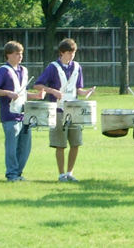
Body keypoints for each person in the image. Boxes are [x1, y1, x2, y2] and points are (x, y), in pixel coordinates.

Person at [34, 38, 95, 182]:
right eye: (69, 53)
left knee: (76, 143)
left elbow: (78, 89)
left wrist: (86, 92)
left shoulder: (77, 67)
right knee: (60, 144)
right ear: (61, 53)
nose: (72, 56)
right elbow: (38, 85)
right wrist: (53, 91)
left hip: (74, 110)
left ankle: (70, 172)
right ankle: (61, 174)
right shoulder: (52, 67)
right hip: (59, 110)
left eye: (73, 53)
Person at [0, 41, 45, 182]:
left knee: (25, 147)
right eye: (17, 54)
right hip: (10, 115)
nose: (20, 57)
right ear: (8, 55)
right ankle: (11, 174)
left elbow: (22, 93)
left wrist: (35, 96)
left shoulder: (23, 71)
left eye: (21, 54)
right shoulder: (3, 71)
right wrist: (7, 93)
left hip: (24, 114)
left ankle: (18, 173)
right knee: (12, 147)